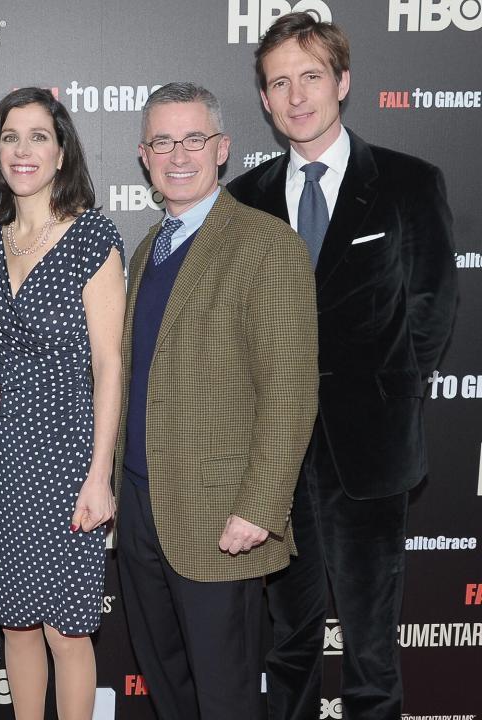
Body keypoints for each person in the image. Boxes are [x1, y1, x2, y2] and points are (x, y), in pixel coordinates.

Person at [226, 13, 458, 719]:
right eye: (280, 82)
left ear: (343, 83)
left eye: (312, 77)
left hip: (372, 456)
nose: (297, 96)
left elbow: (430, 310)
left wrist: (384, 398)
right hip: (275, 463)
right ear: (264, 100)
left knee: (371, 649)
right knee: (289, 644)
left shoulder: (409, 183)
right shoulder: (244, 200)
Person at [115, 82, 318, 719]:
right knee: (168, 686)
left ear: (222, 149)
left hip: (221, 513)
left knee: (226, 696)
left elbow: (290, 391)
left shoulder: (266, 244)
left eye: (193, 139)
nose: (179, 154)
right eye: (162, 141)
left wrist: (260, 506)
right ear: (144, 155)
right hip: (142, 506)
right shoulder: (150, 248)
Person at [0, 87, 126, 720]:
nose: (23, 149)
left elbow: (110, 363)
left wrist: (99, 475)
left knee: (67, 629)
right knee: (16, 627)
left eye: (39, 136)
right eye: (11, 137)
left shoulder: (92, 235)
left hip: (67, 457)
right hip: (0, 459)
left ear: (62, 153)